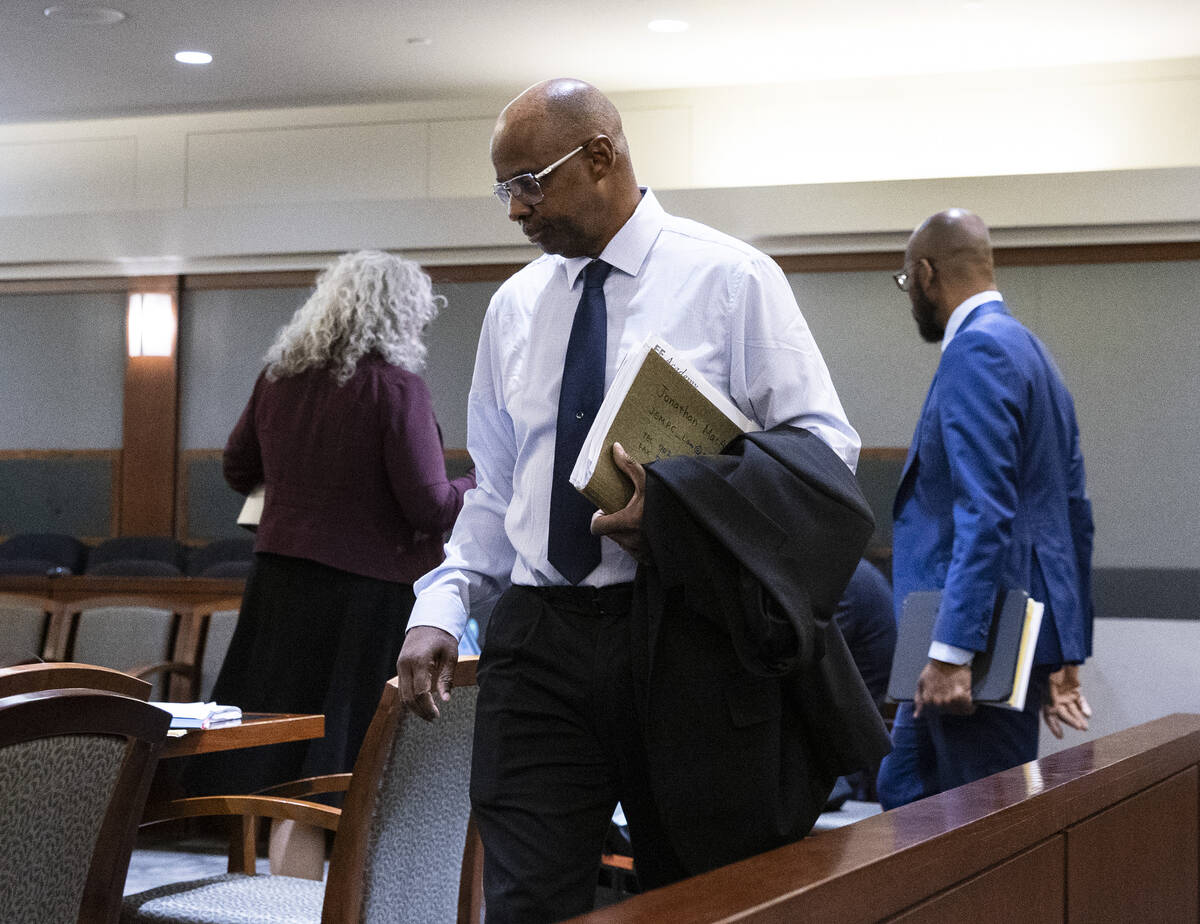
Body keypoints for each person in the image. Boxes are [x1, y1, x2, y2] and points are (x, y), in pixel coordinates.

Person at [396, 78, 873, 923]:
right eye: (504, 189)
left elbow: (825, 458)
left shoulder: (730, 279)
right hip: (539, 638)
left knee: (696, 894)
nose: (515, 211)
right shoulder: (513, 310)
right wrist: (440, 603)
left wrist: (688, 509)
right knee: (527, 900)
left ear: (603, 157)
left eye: (529, 183)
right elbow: (497, 492)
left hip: (684, 636)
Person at [202, 249, 475, 795]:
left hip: (280, 583)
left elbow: (237, 468)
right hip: (366, 595)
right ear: (400, 314)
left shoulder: (279, 379)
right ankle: (329, 865)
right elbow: (430, 508)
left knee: (275, 734)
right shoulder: (396, 388)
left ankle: (262, 854)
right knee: (342, 752)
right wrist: (481, 484)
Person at [876, 209, 1094, 810]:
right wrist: (1064, 652)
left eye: (904, 282)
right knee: (902, 796)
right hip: (1000, 635)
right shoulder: (1033, 353)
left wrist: (951, 655)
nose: (910, 296)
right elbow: (1072, 515)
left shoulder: (975, 352)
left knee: (977, 839)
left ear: (925, 274)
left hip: (974, 647)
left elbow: (986, 513)